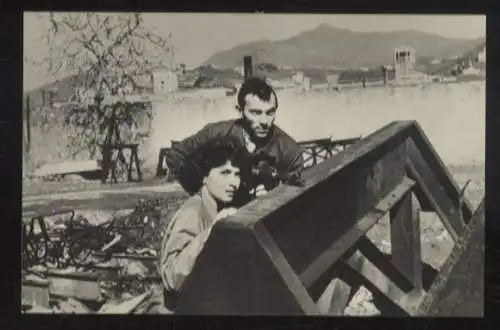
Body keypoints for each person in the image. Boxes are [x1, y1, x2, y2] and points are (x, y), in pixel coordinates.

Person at [164, 76, 305, 200]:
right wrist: (204, 190)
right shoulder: (216, 134)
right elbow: (175, 155)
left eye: (270, 112)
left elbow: (293, 198)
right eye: (255, 113)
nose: (264, 121)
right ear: (240, 111)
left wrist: (273, 196)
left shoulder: (289, 150)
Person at [158, 137, 251, 311]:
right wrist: (212, 230)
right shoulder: (192, 212)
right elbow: (171, 277)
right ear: (204, 177)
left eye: (237, 174)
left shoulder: (220, 206)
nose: (234, 182)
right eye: (225, 173)